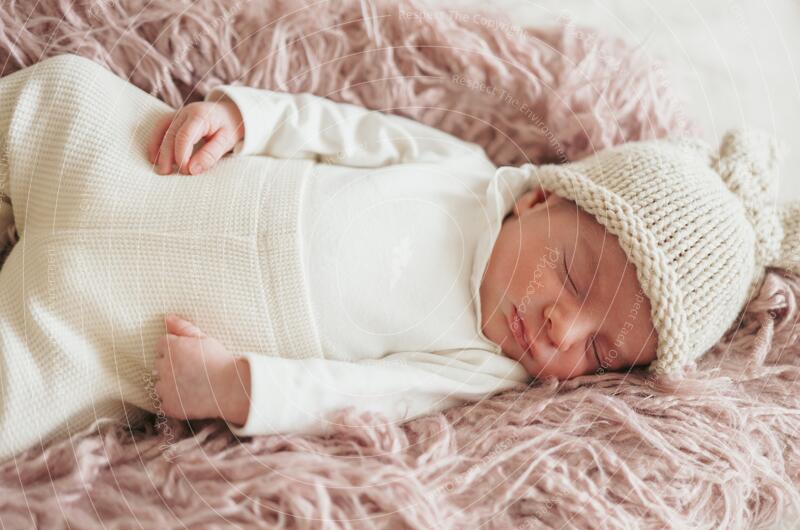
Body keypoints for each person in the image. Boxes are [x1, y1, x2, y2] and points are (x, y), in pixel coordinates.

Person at [0, 53, 797, 461]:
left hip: (111, 330)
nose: (561, 330)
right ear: (542, 200)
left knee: (21, 396)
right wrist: (246, 118)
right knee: (65, 90)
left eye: (600, 351)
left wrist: (240, 388)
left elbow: (369, 393)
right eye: (576, 278)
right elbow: (341, 129)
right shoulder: (462, 173)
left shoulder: (483, 365)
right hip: (145, 171)